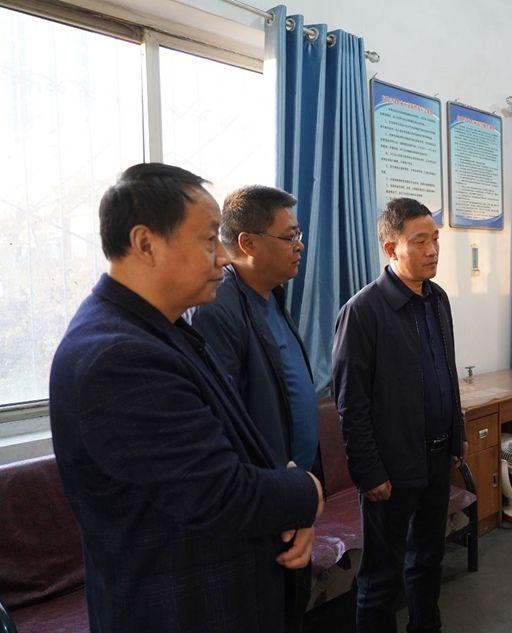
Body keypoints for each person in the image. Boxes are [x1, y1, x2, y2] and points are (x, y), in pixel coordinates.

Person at [49, 163, 324, 633]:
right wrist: (306, 492)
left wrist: (284, 497)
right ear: (145, 243)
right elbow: (218, 494)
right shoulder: (118, 357)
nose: (223, 257)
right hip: (184, 610)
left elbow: (230, 441)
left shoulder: (166, 328)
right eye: (209, 239)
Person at [332, 197, 468, 633]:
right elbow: (351, 402)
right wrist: (368, 472)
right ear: (391, 249)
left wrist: (457, 434)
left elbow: (446, 371)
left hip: (436, 457)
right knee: (380, 577)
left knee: (428, 560)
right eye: (420, 241)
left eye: (435, 239)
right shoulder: (363, 311)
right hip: (391, 468)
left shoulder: (437, 299)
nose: (433, 250)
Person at [190, 185, 320, 633]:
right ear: (247, 243)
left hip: (291, 498)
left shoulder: (273, 298)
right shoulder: (219, 310)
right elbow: (226, 425)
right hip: (263, 509)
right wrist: (286, 497)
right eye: (290, 236)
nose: (300, 245)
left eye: (299, 235)